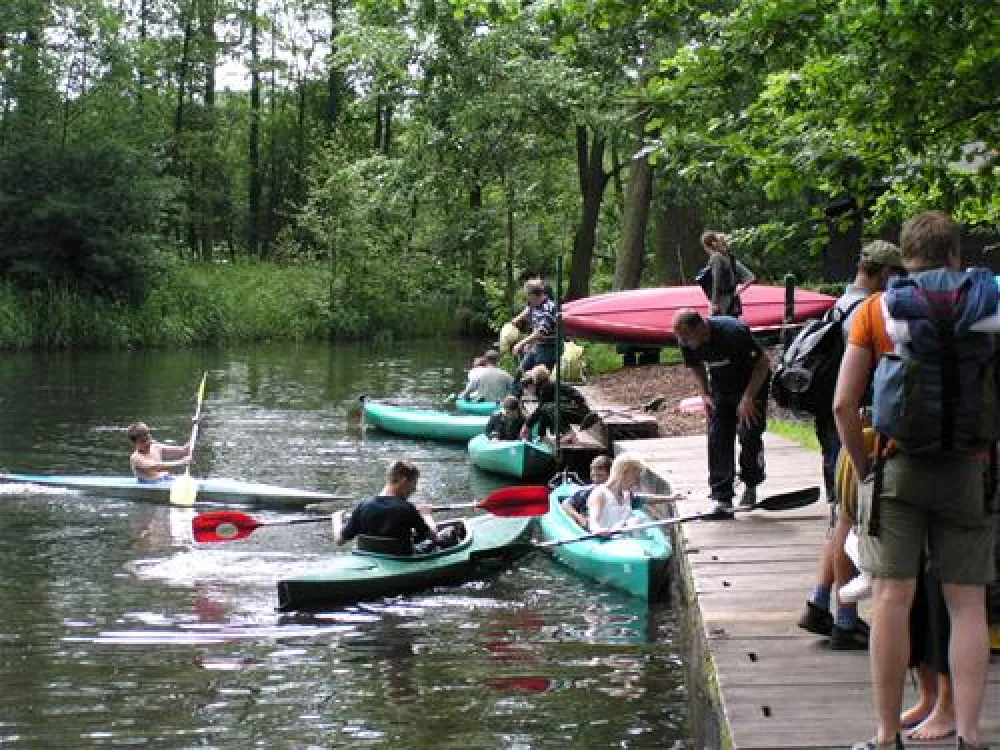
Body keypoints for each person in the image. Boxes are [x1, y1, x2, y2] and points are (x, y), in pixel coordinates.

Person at [834, 211, 995, 750]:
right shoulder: (990, 306)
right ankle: (969, 735)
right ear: (955, 254)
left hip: (896, 468)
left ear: (905, 258)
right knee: (967, 605)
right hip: (968, 468)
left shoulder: (877, 310)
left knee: (891, 599)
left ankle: (885, 736)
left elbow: (843, 405)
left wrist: (865, 469)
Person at [797, 240, 904, 651]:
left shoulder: (840, 304)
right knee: (849, 516)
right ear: (886, 273)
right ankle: (845, 619)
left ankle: (820, 601)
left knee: (840, 514)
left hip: (834, 422)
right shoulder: (869, 310)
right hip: (857, 423)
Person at [672, 308, 770, 515]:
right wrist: (704, 393)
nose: (684, 342)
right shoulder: (686, 340)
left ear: (701, 327)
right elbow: (695, 365)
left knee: (749, 435)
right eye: (681, 338)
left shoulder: (733, 332)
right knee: (718, 437)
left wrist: (748, 398)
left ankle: (751, 482)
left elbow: (763, 364)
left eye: (687, 337)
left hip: (751, 385)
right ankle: (722, 496)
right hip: (721, 388)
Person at [333, 460, 459, 554]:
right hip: (401, 559)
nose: (415, 489)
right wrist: (426, 514)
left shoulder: (363, 506)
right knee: (450, 533)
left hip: (373, 556)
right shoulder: (407, 509)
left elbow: (339, 540)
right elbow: (433, 536)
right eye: (414, 483)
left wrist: (336, 519)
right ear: (403, 481)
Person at [519, 365, 591, 444]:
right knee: (548, 409)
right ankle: (567, 435)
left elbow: (540, 410)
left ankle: (569, 433)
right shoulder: (546, 387)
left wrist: (527, 425)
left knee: (549, 408)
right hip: (575, 411)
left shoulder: (547, 387)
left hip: (581, 412)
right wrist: (541, 435)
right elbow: (543, 413)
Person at [511, 279, 558, 391]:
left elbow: (541, 332)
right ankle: (513, 397)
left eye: (527, 295)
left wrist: (521, 343)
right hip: (538, 345)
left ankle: (544, 399)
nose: (526, 298)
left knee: (539, 378)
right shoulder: (535, 304)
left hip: (549, 348)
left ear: (533, 295)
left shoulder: (549, 308)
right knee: (521, 371)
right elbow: (528, 309)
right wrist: (516, 319)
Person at [587, 454, 645, 536]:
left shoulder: (627, 494)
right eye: (635, 477)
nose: (636, 482)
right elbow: (593, 522)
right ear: (624, 473)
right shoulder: (599, 494)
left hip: (626, 540)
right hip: (608, 541)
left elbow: (645, 499)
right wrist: (597, 529)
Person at [701, 230, 755, 317]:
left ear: (706, 246)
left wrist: (714, 302)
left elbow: (716, 281)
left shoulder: (716, 257)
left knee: (720, 323)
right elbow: (750, 277)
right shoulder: (728, 258)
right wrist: (736, 292)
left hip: (722, 301)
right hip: (733, 299)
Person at [127, 421, 193, 482]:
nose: (148, 443)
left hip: (166, 479)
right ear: (135, 443)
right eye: (143, 441)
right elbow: (155, 466)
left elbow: (183, 450)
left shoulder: (155, 446)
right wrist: (182, 462)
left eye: (148, 439)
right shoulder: (136, 458)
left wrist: (196, 428)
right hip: (151, 485)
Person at [562, 455, 613, 529]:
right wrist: (580, 518)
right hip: (590, 524)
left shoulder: (616, 491)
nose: (594, 473)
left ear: (610, 474)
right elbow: (566, 504)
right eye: (592, 471)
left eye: (600, 474)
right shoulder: (587, 491)